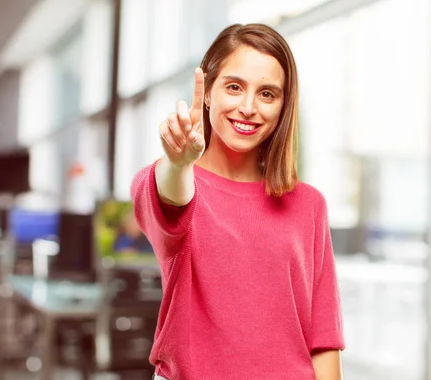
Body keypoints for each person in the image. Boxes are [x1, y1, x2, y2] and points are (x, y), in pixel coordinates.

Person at [131, 23, 344, 380]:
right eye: (234, 87)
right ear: (209, 92)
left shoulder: (309, 205)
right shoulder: (175, 182)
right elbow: (172, 197)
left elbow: (323, 340)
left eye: (267, 94)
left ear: (282, 107)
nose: (248, 107)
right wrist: (179, 163)